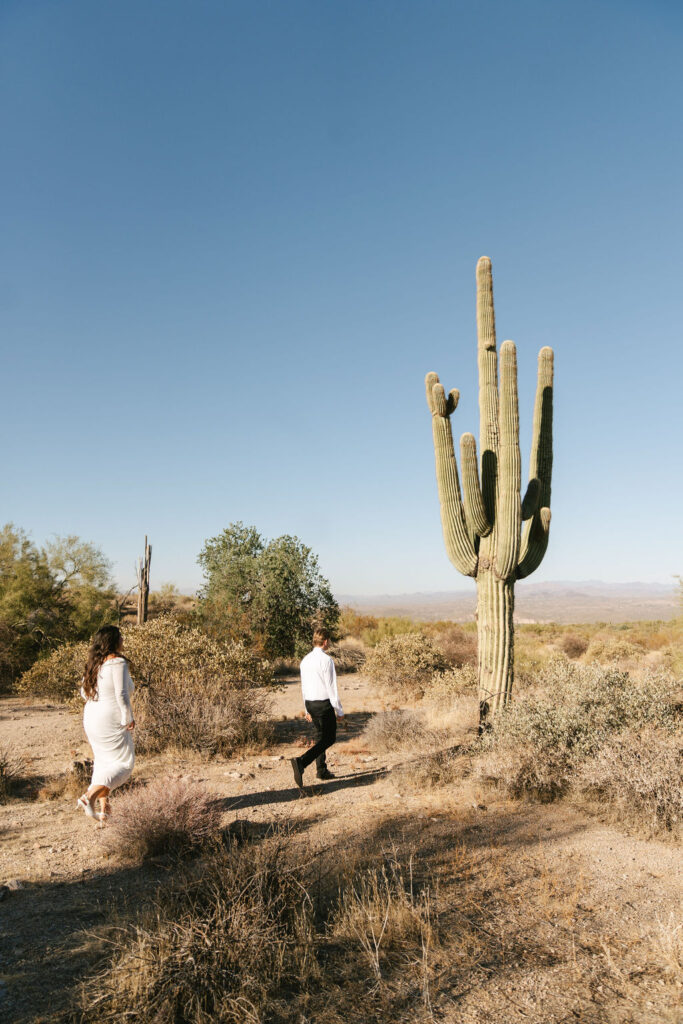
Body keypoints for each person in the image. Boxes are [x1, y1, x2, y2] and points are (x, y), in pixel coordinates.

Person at [77, 625, 135, 824]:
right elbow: (121, 694)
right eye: (120, 637)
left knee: (103, 762)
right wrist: (127, 717)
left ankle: (104, 810)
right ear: (113, 641)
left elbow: (84, 693)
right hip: (110, 717)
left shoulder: (95, 663)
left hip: (92, 715)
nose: (123, 640)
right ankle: (89, 796)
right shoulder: (117, 662)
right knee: (124, 764)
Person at [291, 627, 343, 787]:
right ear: (326, 641)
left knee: (320, 737)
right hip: (323, 704)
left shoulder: (305, 660)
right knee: (329, 738)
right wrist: (339, 710)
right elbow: (331, 687)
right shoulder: (326, 660)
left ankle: (322, 770)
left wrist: (306, 709)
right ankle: (301, 762)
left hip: (310, 703)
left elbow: (304, 686)